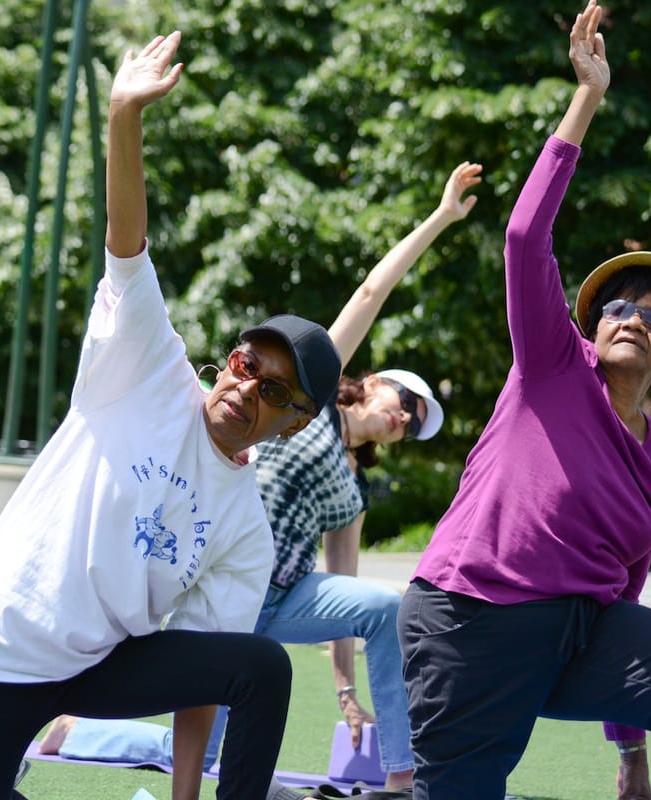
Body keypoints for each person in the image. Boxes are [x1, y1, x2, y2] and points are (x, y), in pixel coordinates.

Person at [0, 31, 343, 800]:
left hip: (99, 665)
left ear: (295, 425)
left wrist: (185, 794)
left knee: (260, 666)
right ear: (231, 360)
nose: (252, 389)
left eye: (279, 394)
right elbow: (128, 246)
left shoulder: (246, 529)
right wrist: (125, 116)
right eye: (252, 366)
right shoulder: (145, 370)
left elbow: (204, 674)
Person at [396, 4, 651, 800]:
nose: (638, 319)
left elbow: (625, 592)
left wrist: (628, 749)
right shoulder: (552, 365)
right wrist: (586, 96)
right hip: (471, 622)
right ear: (592, 325)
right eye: (622, 306)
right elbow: (526, 238)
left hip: (578, 636)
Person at [41, 162, 484, 793]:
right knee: (200, 745)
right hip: (226, 583)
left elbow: (344, 581)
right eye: (405, 402)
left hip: (286, 593)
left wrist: (345, 691)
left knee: (388, 607)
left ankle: (401, 778)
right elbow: (368, 295)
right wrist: (440, 217)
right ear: (375, 383)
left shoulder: (354, 490)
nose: (403, 419)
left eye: (413, 426)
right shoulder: (305, 399)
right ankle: (79, 731)